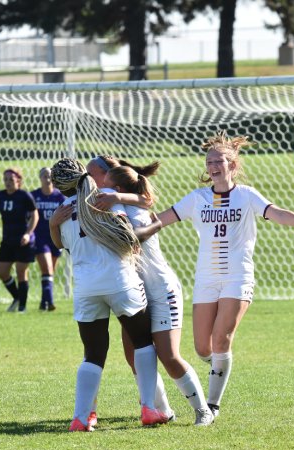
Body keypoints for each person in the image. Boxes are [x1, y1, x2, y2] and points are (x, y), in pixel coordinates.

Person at [156, 131, 294, 419]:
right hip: (206, 279)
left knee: (221, 340)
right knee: (201, 347)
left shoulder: (246, 195)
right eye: (209, 161)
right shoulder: (197, 198)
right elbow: (160, 220)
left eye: (219, 160)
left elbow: (278, 213)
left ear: (232, 165)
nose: (213, 166)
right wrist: (125, 223)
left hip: (237, 277)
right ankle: (219, 366)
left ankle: (211, 407)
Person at [48, 157, 169, 432]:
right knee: (142, 343)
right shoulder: (105, 196)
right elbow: (130, 236)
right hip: (120, 280)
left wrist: (53, 226)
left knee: (92, 353)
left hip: (86, 288)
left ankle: (80, 418)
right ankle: (149, 408)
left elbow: (63, 247)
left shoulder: (61, 212)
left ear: (58, 188)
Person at [104, 163, 215, 426]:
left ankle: (203, 410)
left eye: (105, 184)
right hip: (134, 293)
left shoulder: (134, 212)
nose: (99, 188)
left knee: (168, 355)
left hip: (162, 291)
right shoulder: (118, 205)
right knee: (134, 356)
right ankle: (163, 411)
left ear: (117, 189)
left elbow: (130, 237)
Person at [86, 155, 175, 421]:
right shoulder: (108, 198)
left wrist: (121, 200)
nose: (88, 179)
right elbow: (145, 201)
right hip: (123, 284)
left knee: (154, 352)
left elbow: (145, 206)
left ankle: (167, 407)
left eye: (92, 174)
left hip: (146, 286)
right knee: (133, 352)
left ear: (108, 177)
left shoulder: (113, 199)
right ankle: (154, 405)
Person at [0, 168, 39, 313]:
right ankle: (17, 297)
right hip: (7, 241)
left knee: (21, 272)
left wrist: (28, 234)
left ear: (18, 180)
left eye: (11, 179)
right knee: (2, 272)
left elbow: (35, 216)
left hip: (23, 241)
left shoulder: (25, 196)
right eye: (5, 179)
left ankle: (22, 307)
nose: (8, 182)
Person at [30, 167, 66, 311]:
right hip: (40, 238)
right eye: (44, 175)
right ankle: (49, 302)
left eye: (50, 175)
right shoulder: (33, 196)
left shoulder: (60, 197)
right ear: (40, 178)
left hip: (56, 238)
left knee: (50, 271)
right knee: (47, 268)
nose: (48, 178)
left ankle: (43, 303)